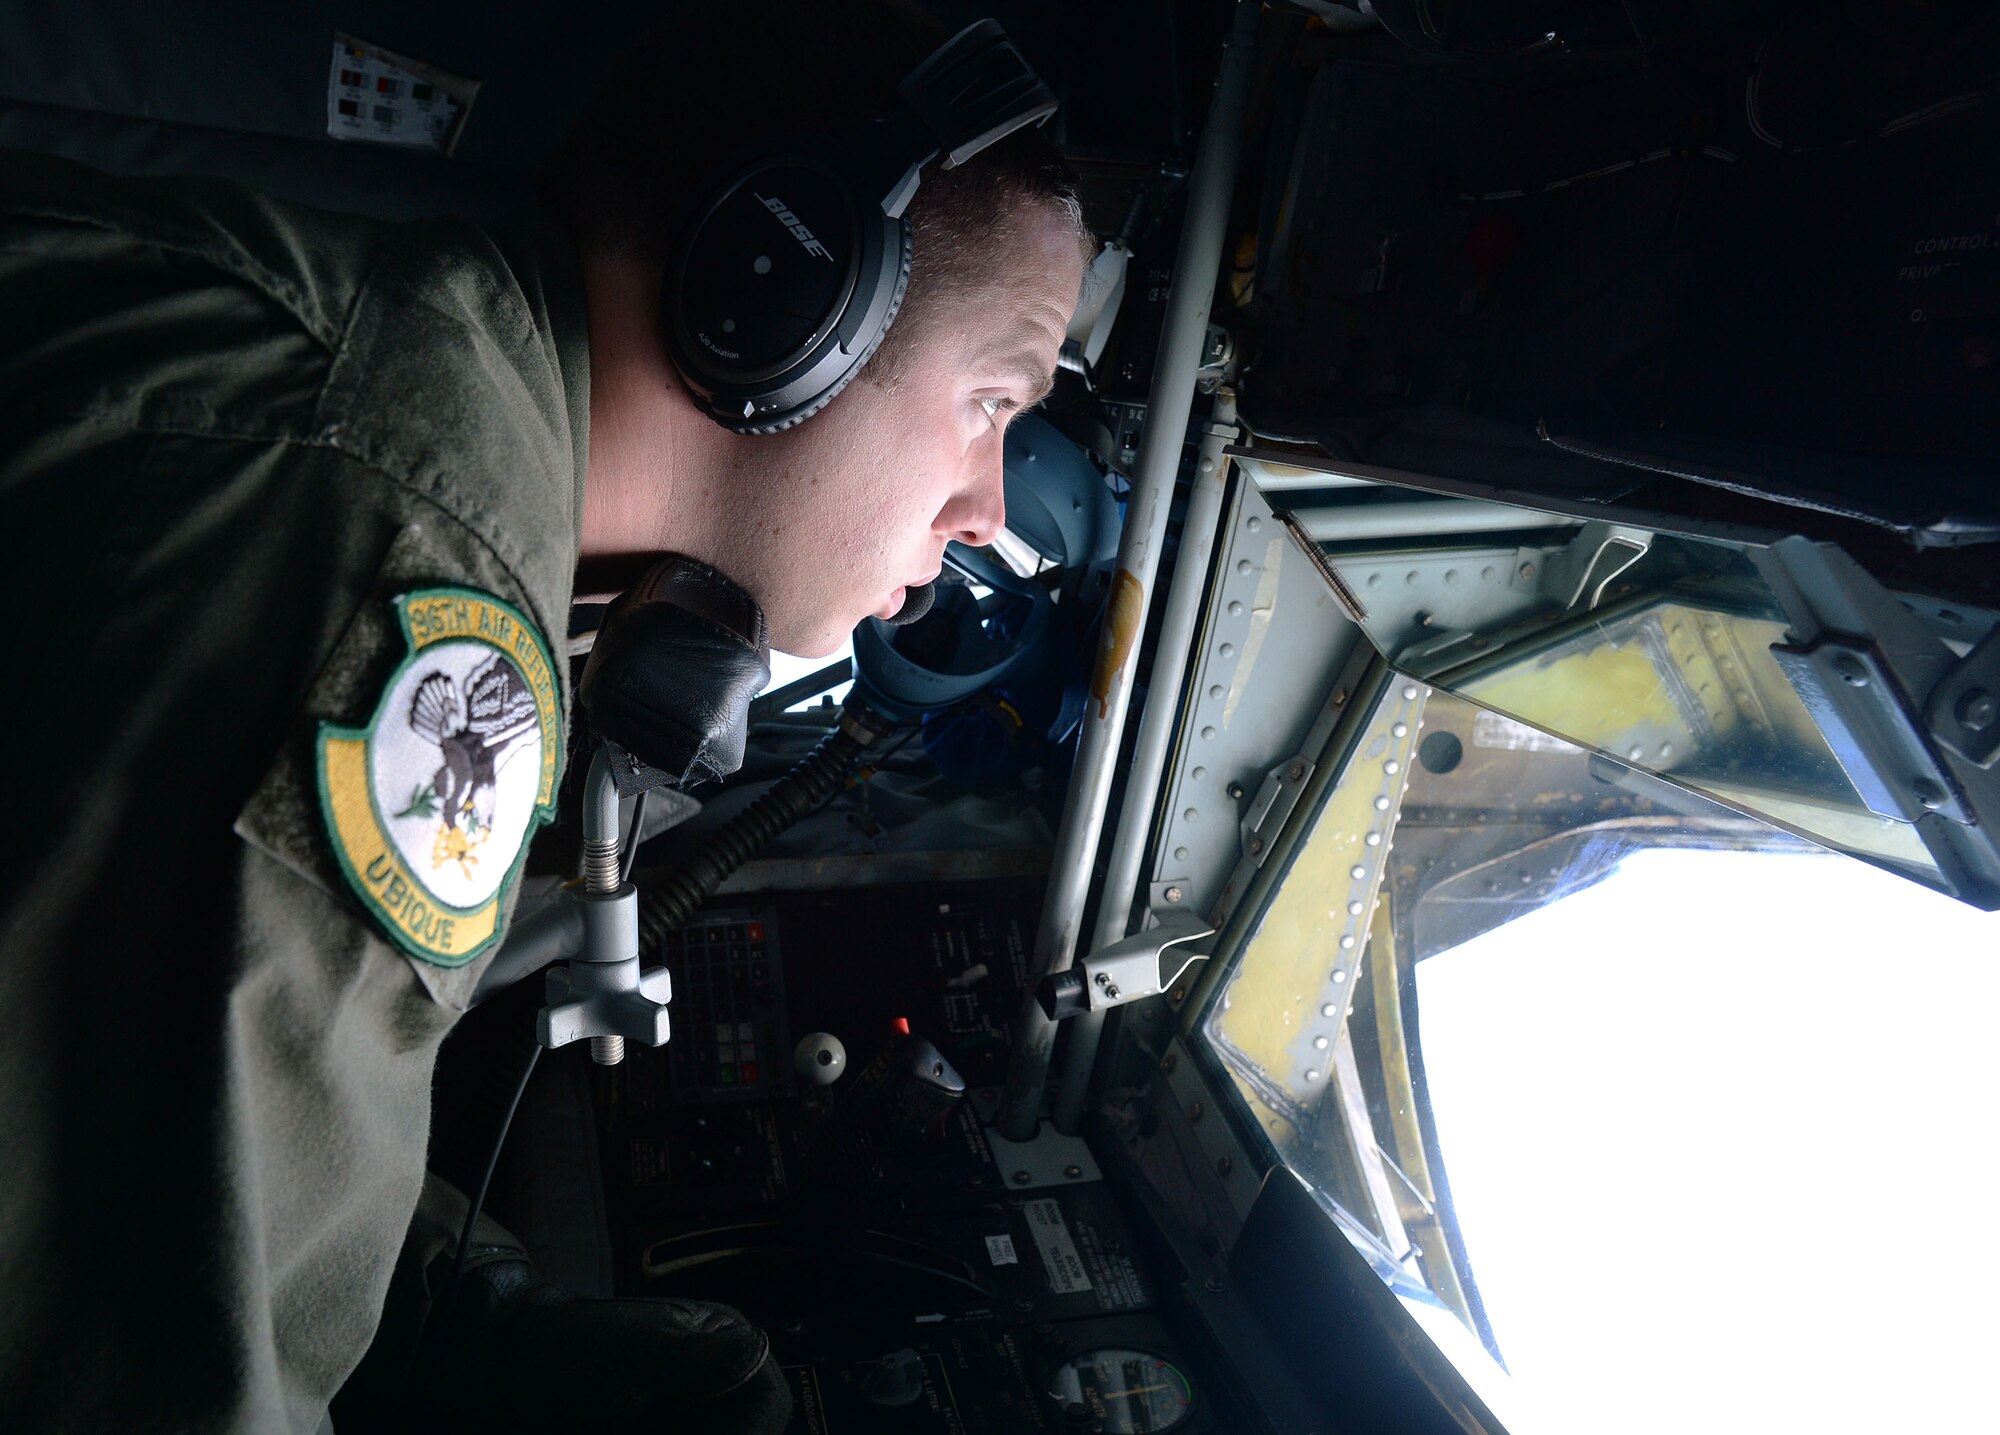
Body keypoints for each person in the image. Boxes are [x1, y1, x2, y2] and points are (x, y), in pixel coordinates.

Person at [0, 0, 1092, 1429]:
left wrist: (443, 1306)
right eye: (993, 401)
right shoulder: (408, 557)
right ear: (786, 295)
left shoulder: (414, 386)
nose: (986, 513)